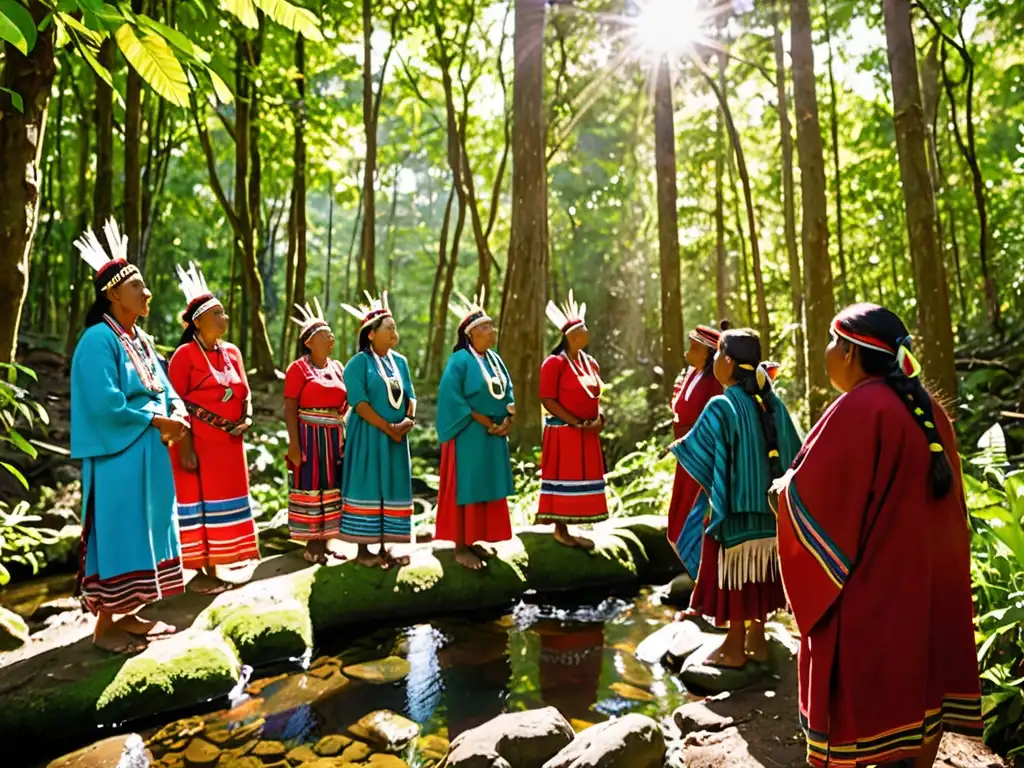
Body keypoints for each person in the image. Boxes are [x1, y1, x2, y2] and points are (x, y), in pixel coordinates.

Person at [776, 304, 982, 768]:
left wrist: (781, 494)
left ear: (849, 352)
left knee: (867, 715)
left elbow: (813, 502)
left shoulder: (860, 408)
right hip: (926, 599)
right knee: (921, 707)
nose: (826, 351)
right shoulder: (927, 409)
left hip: (874, 602)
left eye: (831, 341)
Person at [70, 219, 186, 654]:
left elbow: (164, 387)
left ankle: (132, 611)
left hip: (150, 454)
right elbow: (103, 403)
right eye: (137, 286)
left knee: (148, 529)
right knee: (119, 530)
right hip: (118, 454)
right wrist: (157, 422)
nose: (147, 292)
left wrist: (178, 413)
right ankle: (104, 626)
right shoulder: (98, 341)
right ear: (113, 294)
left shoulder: (142, 339)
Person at [668, 328, 801, 667]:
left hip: (736, 517)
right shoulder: (774, 404)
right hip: (772, 519)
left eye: (717, 355)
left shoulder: (722, 406)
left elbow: (696, 454)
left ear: (727, 361)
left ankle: (734, 646)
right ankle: (757, 639)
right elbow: (797, 456)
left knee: (731, 570)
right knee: (762, 572)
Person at [168, 263, 260, 593]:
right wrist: (187, 447)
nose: (225, 319)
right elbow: (175, 404)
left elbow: (244, 392)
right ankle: (201, 572)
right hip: (198, 444)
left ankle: (221, 561)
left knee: (227, 500)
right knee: (200, 503)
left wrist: (246, 418)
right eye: (218, 314)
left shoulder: (232, 352)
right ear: (199, 322)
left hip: (230, 446)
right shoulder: (184, 356)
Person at [435, 292, 515, 570]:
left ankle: (475, 538)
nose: (491, 331)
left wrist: (506, 420)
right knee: (466, 485)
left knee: (485, 484)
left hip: (492, 435)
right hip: (467, 432)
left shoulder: (494, 359)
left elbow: (507, 391)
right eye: (485, 327)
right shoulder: (459, 360)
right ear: (470, 334)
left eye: (491, 326)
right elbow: (450, 396)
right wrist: (482, 420)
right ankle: (460, 546)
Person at [338, 292, 417, 568]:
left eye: (395, 327)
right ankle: (362, 552)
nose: (394, 332)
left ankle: (387, 546)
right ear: (371, 334)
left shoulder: (401, 362)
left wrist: (408, 421)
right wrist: (388, 427)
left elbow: (410, 396)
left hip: (396, 438)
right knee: (368, 484)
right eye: (389, 328)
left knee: (392, 485)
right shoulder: (358, 363)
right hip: (369, 436)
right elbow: (358, 403)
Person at [536, 291, 608, 550]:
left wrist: (599, 419)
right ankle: (560, 528)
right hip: (564, 432)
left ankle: (572, 525)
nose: (588, 333)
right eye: (583, 329)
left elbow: (595, 397)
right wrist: (574, 421)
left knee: (581, 479)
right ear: (571, 336)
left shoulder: (591, 364)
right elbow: (547, 399)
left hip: (586, 433)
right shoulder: (554, 363)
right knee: (564, 477)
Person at [284, 300, 348, 565]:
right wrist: (294, 444)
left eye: (331, 333)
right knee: (311, 483)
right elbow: (290, 406)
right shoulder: (298, 368)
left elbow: (346, 403)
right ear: (309, 342)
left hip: (333, 436)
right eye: (324, 334)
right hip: (308, 436)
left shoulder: (338, 368)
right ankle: (312, 542)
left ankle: (329, 539)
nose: (330, 337)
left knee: (332, 484)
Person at [667, 323, 726, 577]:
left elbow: (715, 419)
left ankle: (705, 579)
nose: (688, 352)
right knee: (678, 516)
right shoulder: (692, 374)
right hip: (685, 457)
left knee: (695, 516)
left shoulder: (714, 381)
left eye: (694, 347)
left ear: (707, 354)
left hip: (701, 460)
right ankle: (699, 579)